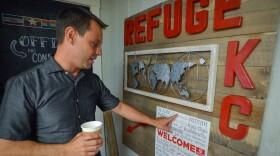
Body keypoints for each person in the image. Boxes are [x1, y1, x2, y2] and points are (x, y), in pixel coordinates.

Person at [0, 7, 177, 156]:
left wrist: (154, 122)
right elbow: (5, 148)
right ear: (71, 35)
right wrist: (67, 150)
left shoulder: (92, 81)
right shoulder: (24, 84)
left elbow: (119, 107)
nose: (99, 52)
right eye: (94, 44)